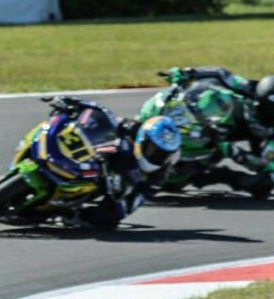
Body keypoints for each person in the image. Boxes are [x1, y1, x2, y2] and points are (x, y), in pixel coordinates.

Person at [148, 66, 274, 199]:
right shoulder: (248, 88)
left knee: (265, 184)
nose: (267, 119)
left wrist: (232, 151)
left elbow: (263, 161)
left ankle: (214, 175)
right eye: (264, 113)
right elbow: (220, 74)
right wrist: (189, 73)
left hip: (255, 143)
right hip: (230, 123)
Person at [50, 97, 181, 229]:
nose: (158, 157)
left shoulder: (159, 174)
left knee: (108, 220)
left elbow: (135, 201)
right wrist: (75, 104)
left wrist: (118, 206)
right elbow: (104, 116)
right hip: (101, 157)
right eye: (154, 151)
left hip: (117, 183)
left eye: (163, 155)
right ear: (144, 139)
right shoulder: (131, 127)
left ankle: (76, 213)